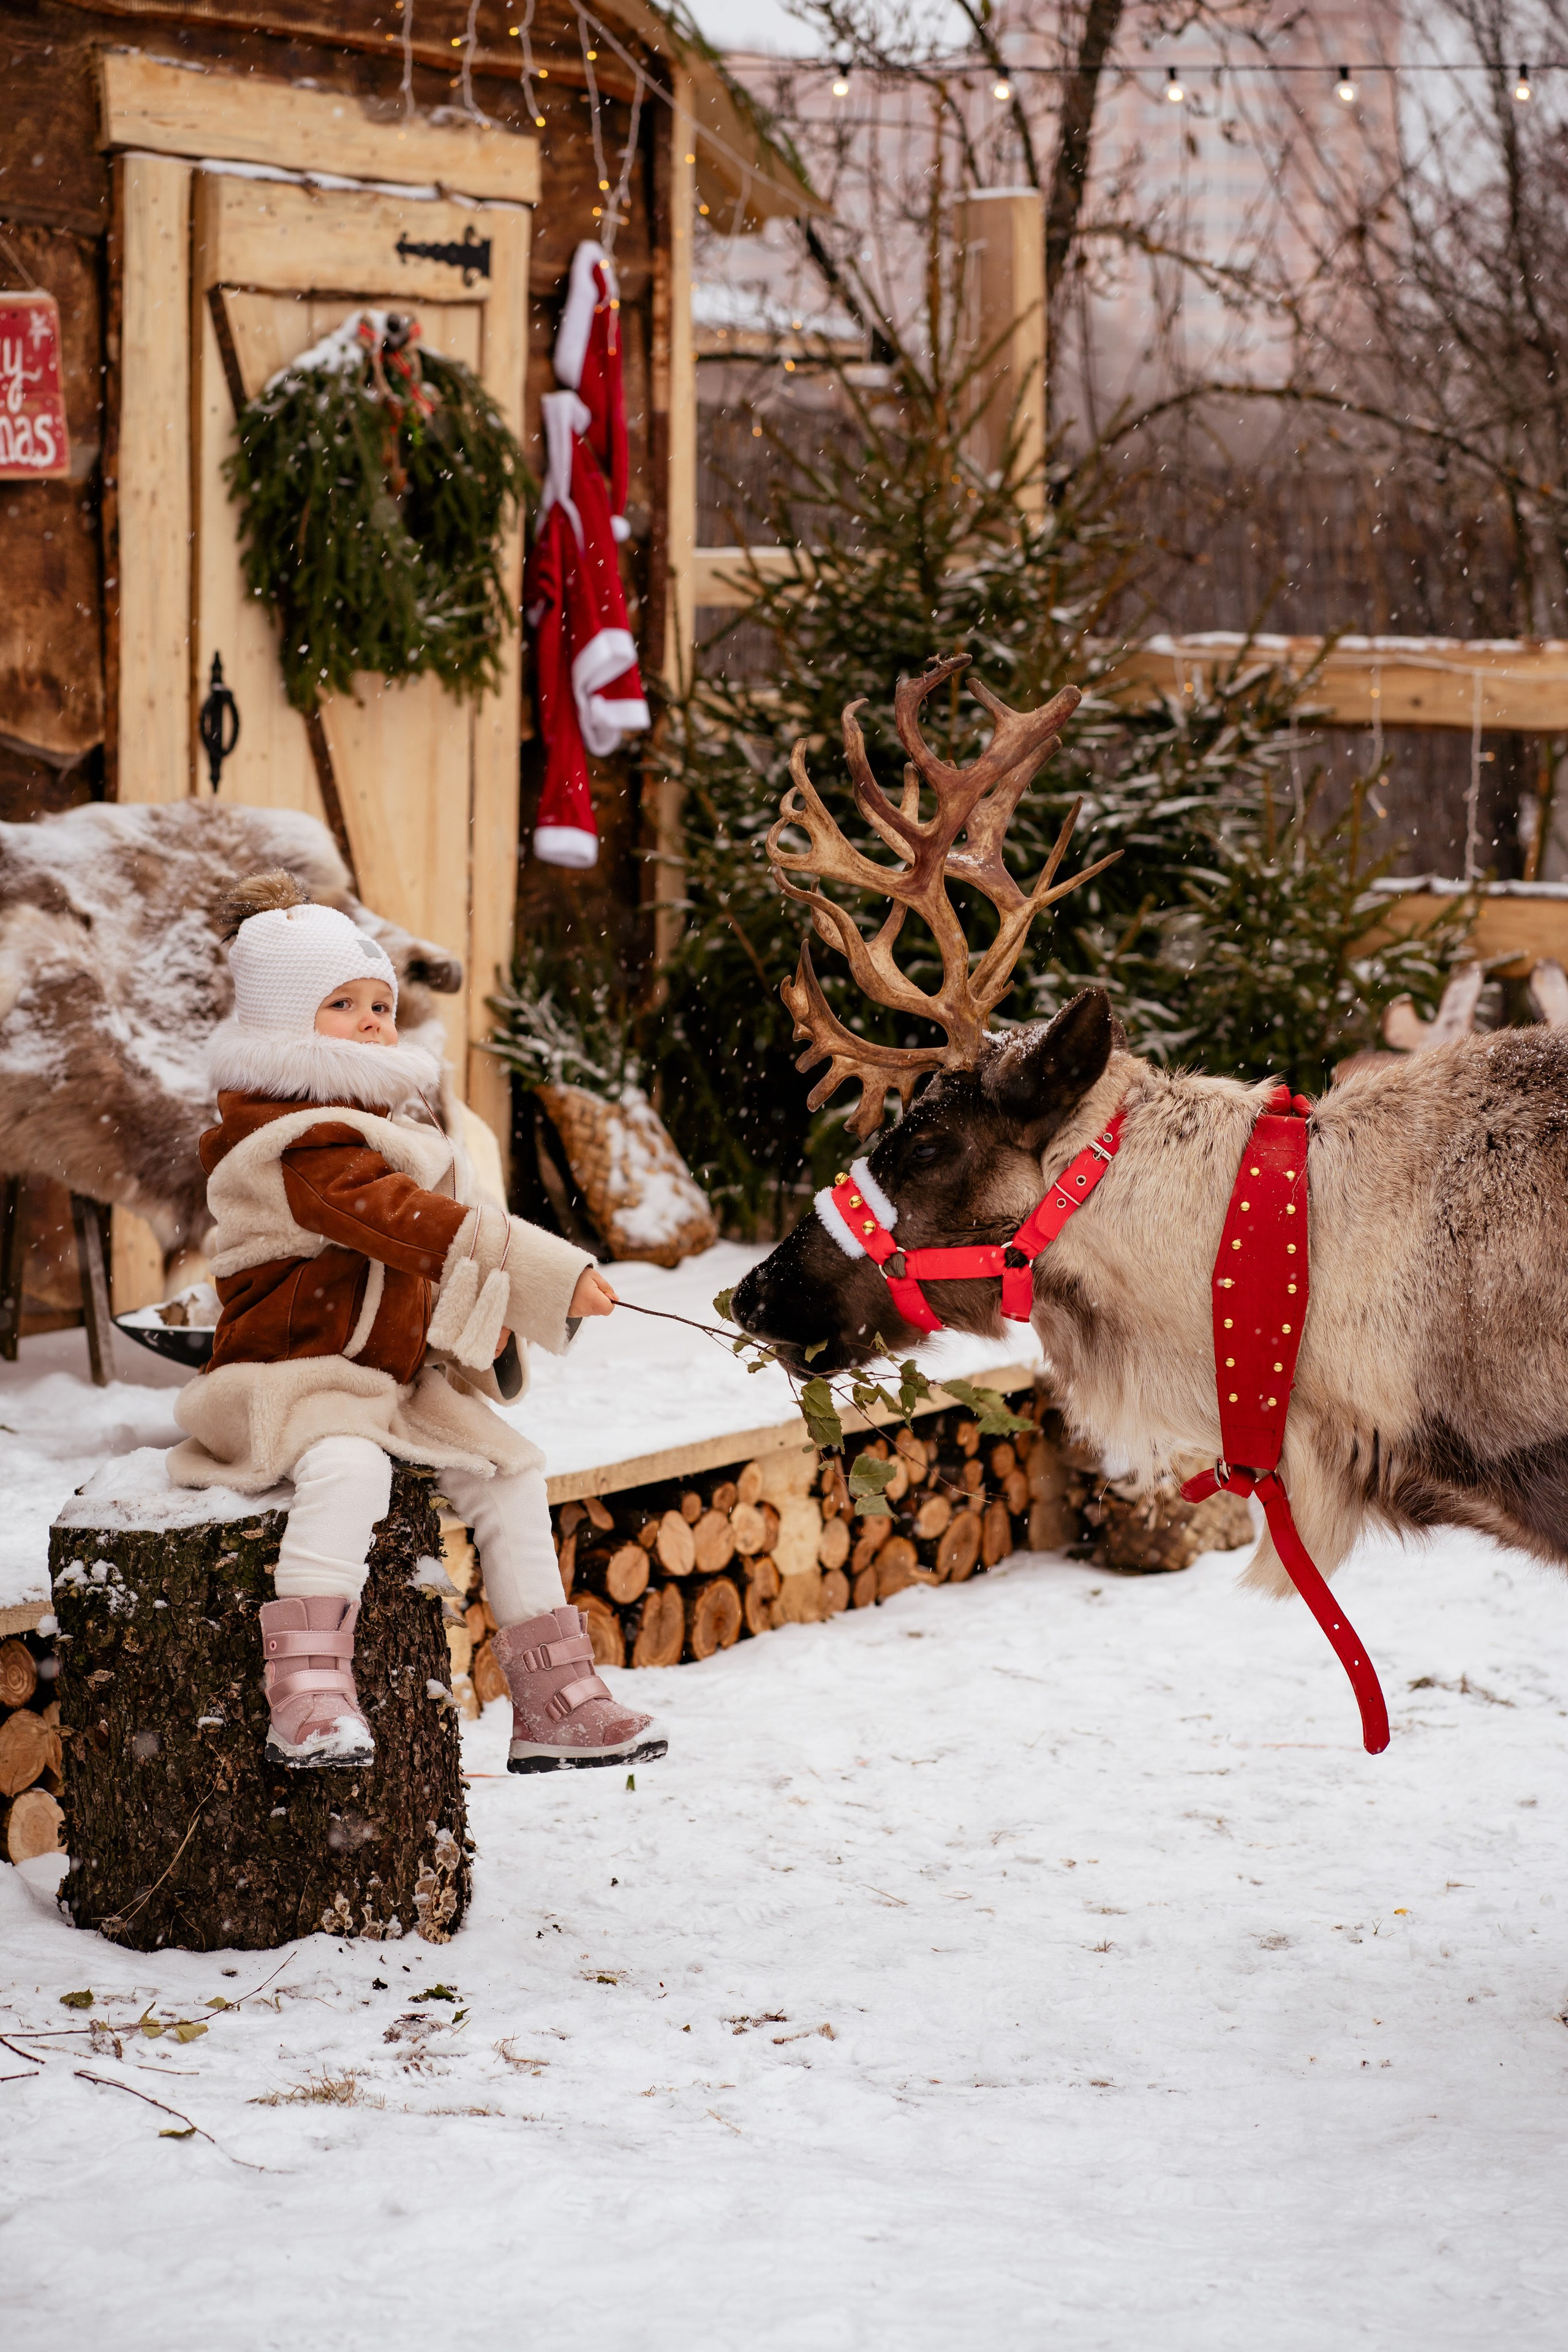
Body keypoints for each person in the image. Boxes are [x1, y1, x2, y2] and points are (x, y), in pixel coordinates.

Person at [167, 870, 665, 1777]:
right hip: (289, 1382)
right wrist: (546, 1273)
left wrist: (492, 1328)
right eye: (343, 1004)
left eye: (381, 1005)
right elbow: (404, 1224)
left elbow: (410, 1276)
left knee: (511, 1469)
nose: (373, 1022)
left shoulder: (372, 1129)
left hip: (381, 1383)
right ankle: (308, 1695)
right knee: (349, 1472)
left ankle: (556, 1699)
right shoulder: (298, 1145)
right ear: (283, 1028)